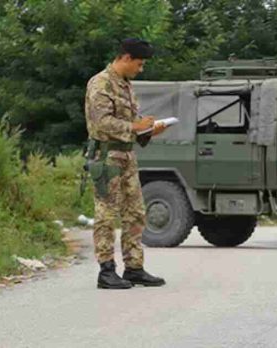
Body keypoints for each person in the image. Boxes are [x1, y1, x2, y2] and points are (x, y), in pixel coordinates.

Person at [84, 38, 167, 289]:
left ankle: (134, 268)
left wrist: (148, 130)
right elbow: (102, 123)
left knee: (135, 213)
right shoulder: (101, 83)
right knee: (106, 215)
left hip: (127, 157)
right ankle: (106, 271)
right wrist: (135, 127)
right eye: (139, 64)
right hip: (107, 158)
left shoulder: (126, 86)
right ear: (126, 58)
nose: (140, 70)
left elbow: (131, 123)